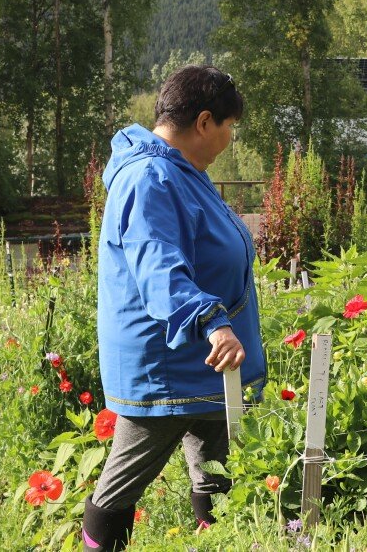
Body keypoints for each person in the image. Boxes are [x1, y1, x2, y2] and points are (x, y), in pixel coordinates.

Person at [80, 65, 265, 551]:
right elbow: (157, 265)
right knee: (120, 488)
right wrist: (211, 320)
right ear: (205, 121)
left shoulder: (183, 172)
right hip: (168, 363)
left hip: (205, 362)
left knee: (217, 479)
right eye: (229, 127)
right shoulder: (150, 177)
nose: (230, 138)